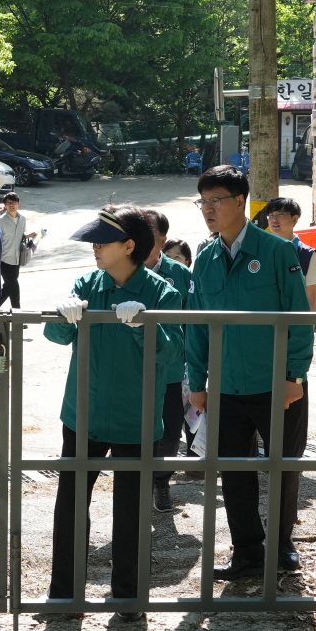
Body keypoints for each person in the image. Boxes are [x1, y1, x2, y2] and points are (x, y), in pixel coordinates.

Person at [46, 206, 183, 608]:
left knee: (131, 513)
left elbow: (171, 355)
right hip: (82, 414)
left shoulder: (162, 293)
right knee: (70, 506)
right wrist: (63, 314)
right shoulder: (89, 283)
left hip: (134, 417)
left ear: (129, 245)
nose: (94, 248)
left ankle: (127, 598)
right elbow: (56, 336)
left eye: (102, 241)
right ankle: (64, 596)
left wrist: (146, 324)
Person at [185, 166, 313, 579]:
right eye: (202, 202)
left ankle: (282, 546)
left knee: (284, 467)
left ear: (240, 202)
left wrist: (295, 376)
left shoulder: (276, 252)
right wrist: (198, 382)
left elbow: (298, 316)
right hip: (226, 386)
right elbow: (198, 325)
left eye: (215, 201)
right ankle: (247, 553)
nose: (207, 209)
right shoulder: (205, 259)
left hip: (277, 384)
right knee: (234, 472)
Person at [142, 209, 192, 511]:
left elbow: (194, 323)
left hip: (171, 371)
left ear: (162, 238)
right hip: (133, 370)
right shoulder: (124, 270)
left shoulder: (181, 274)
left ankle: (161, 481)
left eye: (150, 233)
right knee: (135, 432)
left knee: (170, 435)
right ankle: (138, 483)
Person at [262, 197, 316, 312]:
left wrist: (309, 327)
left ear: (294, 219)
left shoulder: (306, 254)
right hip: (265, 322)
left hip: (293, 322)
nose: (274, 220)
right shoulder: (260, 250)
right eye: (271, 215)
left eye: (280, 215)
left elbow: (310, 298)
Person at [0, 192, 29, 310]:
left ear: (18, 204)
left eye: (14, 202)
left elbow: (20, 235)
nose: (12, 205)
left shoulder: (22, 219)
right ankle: (18, 316)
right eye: (9, 203)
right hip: (4, 260)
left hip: (17, 260)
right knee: (14, 288)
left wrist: (28, 236)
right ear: (5, 205)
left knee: (8, 288)